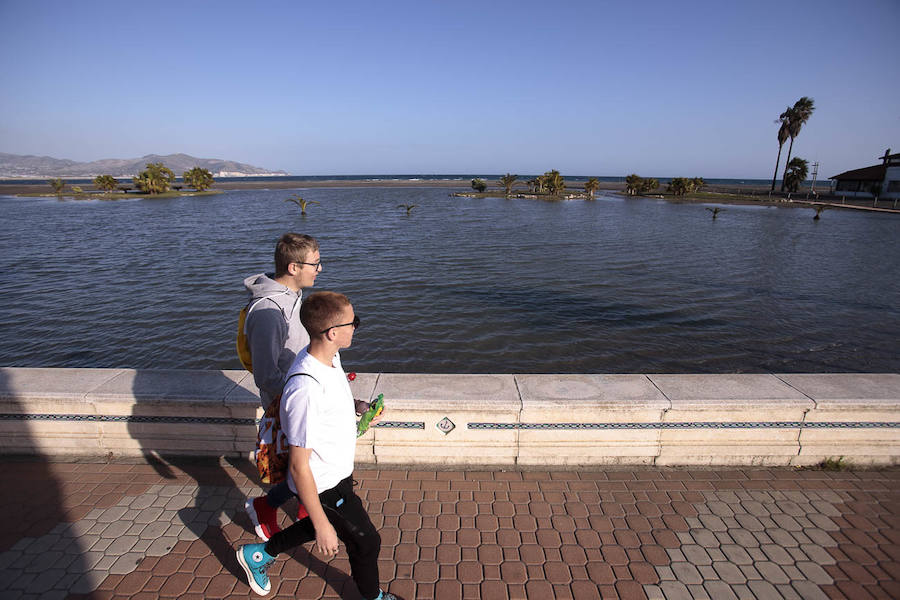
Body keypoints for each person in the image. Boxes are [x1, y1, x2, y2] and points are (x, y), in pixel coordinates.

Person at [236, 291, 403, 600]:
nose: (356, 327)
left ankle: (258, 554)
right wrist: (322, 523)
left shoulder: (329, 357)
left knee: (332, 524)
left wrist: (357, 406)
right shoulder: (306, 389)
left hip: (337, 471)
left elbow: (333, 399)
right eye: (353, 322)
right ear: (332, 332)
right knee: (367, 541)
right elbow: (299, 466)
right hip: (323, 482)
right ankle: (373, 597)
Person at [243, 233, 321, 541]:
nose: (319, 269)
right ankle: (264, 508)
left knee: (308, 463)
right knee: (302, 466)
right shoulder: (268, 311)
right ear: (293, 267)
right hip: (288, 402)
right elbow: (266, 375)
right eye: (315, 264)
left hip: (302, 396)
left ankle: (305, 510)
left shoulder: (293, 297)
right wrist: (299, 395)